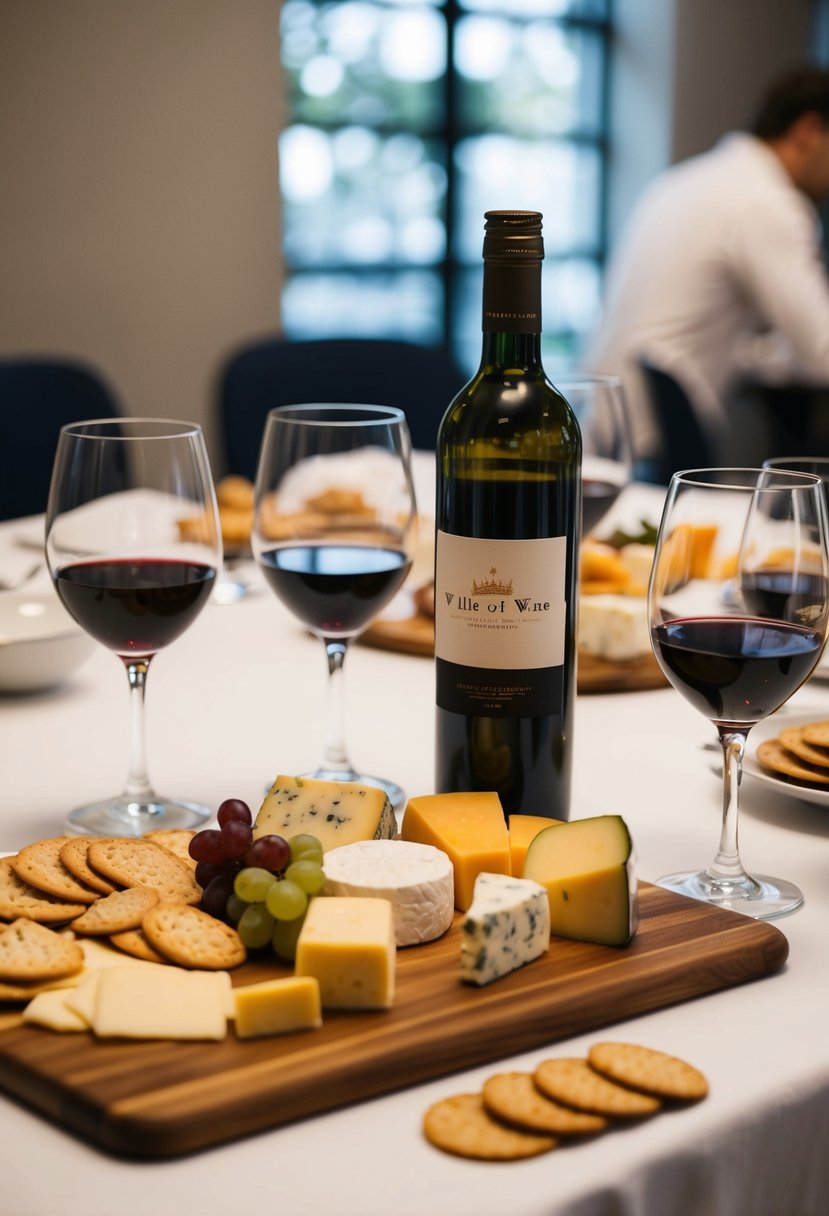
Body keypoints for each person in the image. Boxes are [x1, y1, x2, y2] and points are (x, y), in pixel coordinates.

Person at [583, 67, 829, 475]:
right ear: (808, 129)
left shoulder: (686, 178)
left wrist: (766, 355)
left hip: (606, 420)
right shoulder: (768, 203)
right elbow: (822, 350)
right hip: (658, 438)